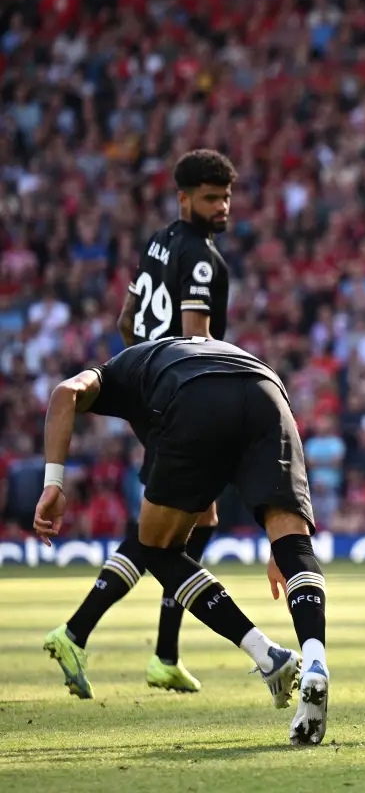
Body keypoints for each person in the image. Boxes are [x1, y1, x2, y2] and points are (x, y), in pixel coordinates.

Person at [35, 337, 331, 746]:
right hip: (267, 388)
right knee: (294, 548)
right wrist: (274, 541)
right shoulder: (179, 350)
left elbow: (66, 392)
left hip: (195, 398)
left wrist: (54, 484)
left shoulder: (115, 373)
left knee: (157, 547)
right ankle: (315, 660)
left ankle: (268, 655)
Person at [44, 149, 236, 696]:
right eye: (209, 197)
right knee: (165, 532)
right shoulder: (201, 256)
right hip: (179, 394)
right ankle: (78, 631)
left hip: (148, 384)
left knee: (198, 521)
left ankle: (164, 654)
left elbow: (127, 319)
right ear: (183, 197)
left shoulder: (158, 243)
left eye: (225, 196)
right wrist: (177, 393)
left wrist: (138, 374)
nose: (220, 206)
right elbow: (197, 340)